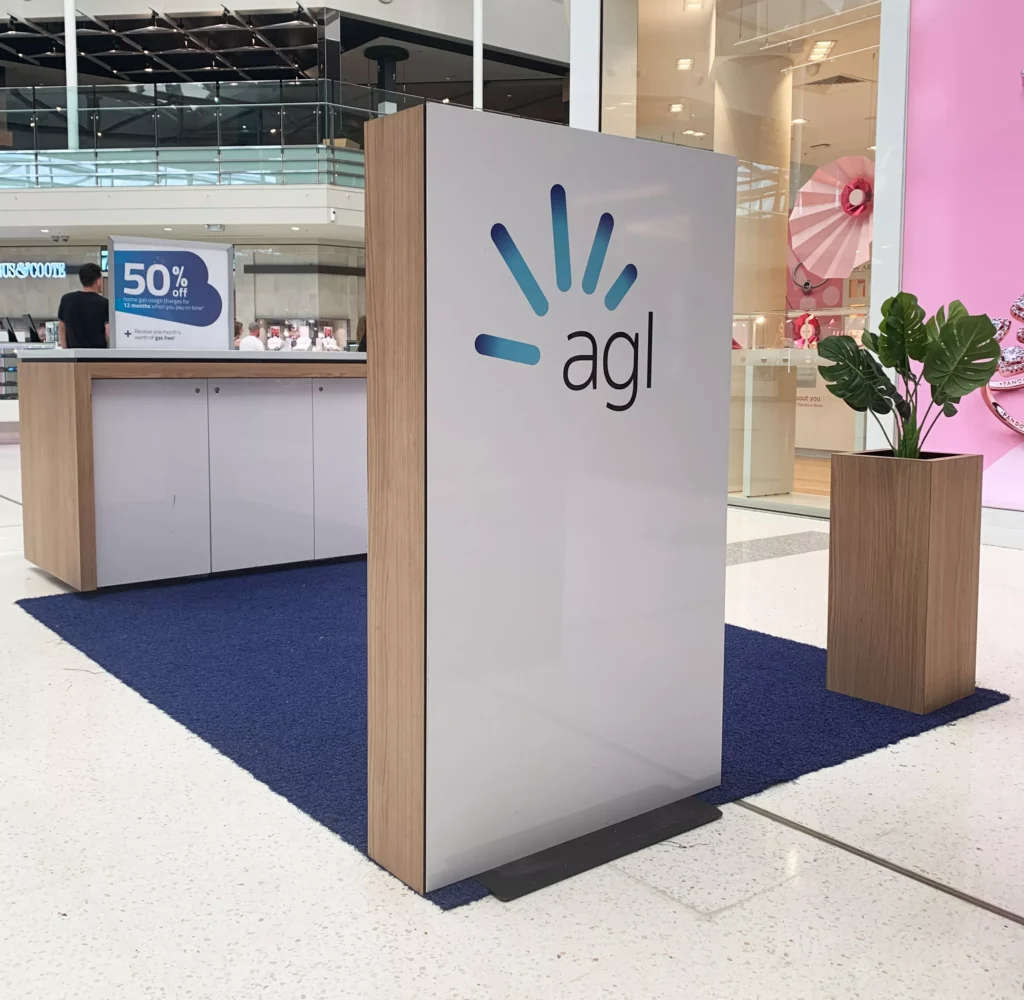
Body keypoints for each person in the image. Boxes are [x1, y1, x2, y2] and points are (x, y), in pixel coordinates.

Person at [57, 262, 108, 349]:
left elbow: (62, 327)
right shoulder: (104, 303)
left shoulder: (66, 300)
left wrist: (65, 351)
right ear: (98, 281)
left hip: (74, 356)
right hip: (98, 356)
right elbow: (108, 331)